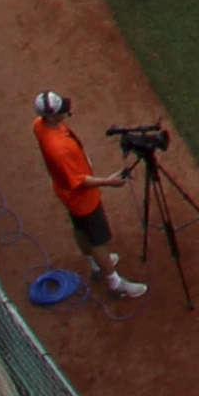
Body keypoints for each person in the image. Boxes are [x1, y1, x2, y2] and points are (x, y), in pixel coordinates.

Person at [31, 94, 148, 298]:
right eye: (61, 111)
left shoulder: (39, 124)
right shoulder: (58, 148)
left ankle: (94, 264)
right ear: (50, 117)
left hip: (66, 193)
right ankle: (115, 283)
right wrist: (109, 182)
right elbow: (78, 181)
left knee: (80, 228)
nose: (66, 111)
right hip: (82, 199)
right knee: (99, 241)